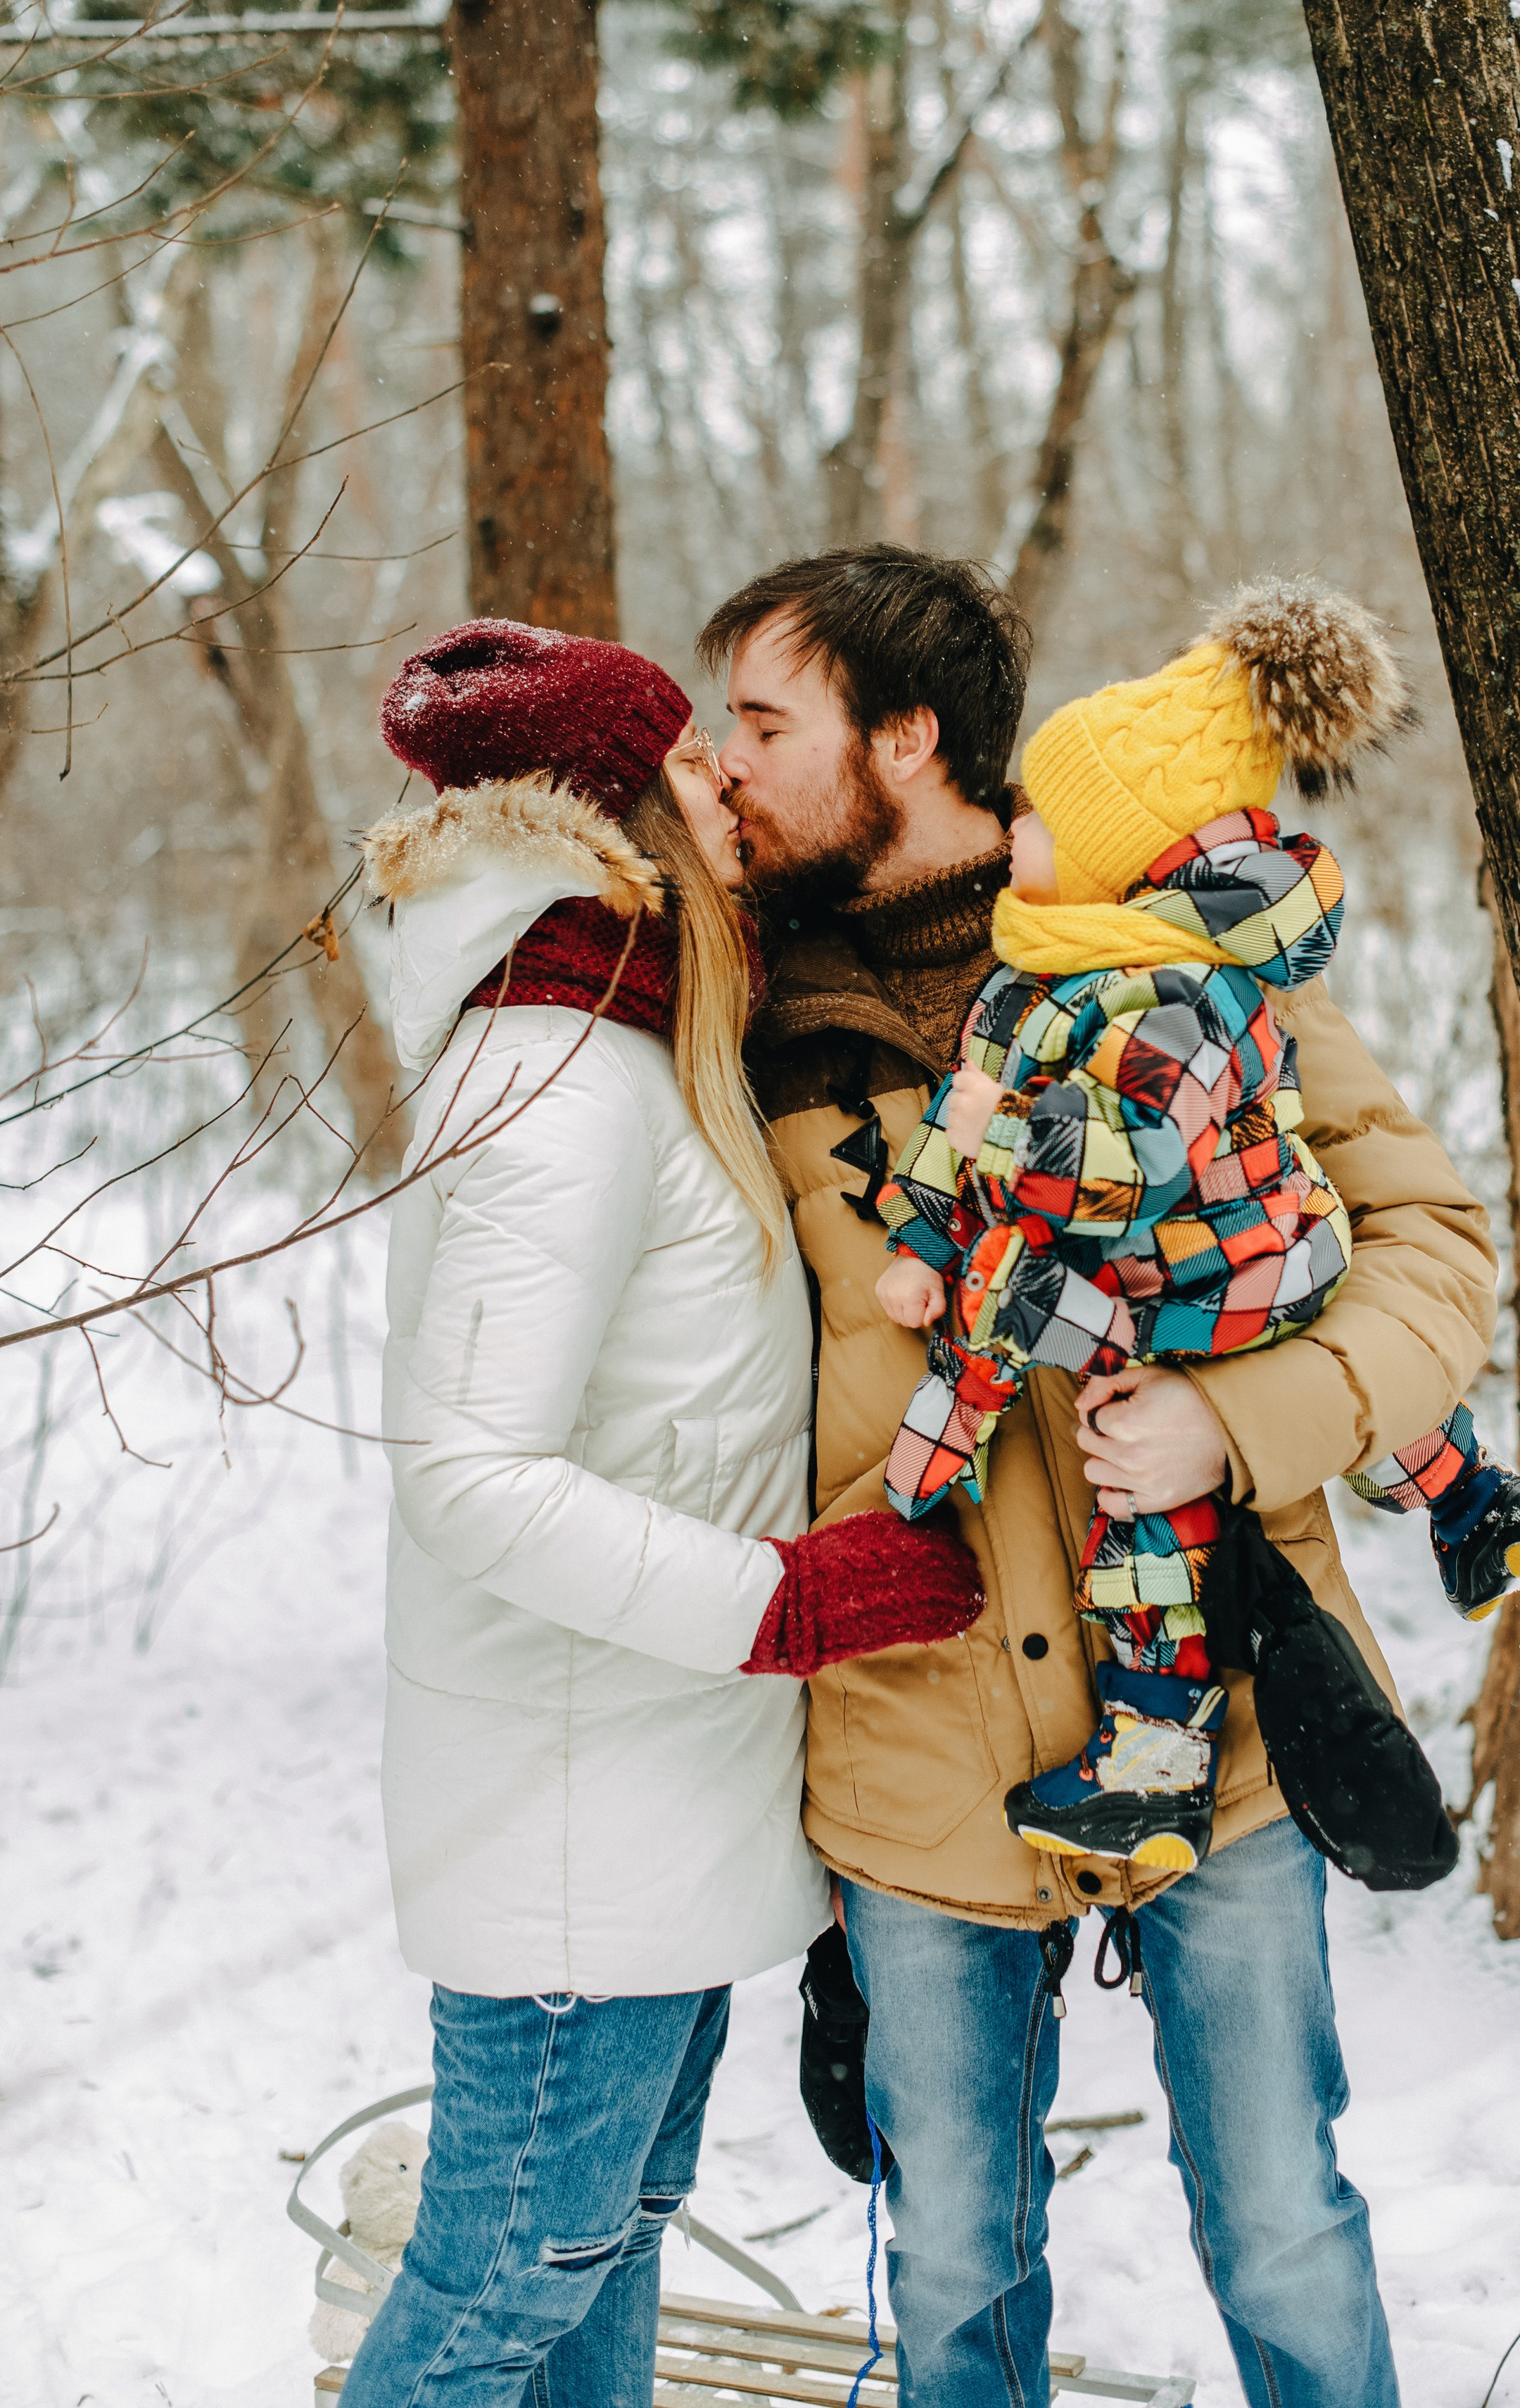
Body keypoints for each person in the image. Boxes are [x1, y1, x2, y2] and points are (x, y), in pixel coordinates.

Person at [698, 546, 1500, 2408]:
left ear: (905, 742)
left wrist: (1246, 1420)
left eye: (761, 722)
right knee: (959, 2265)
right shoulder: (735, 1031)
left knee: (1283, 2219)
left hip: (1210, 1723)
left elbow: (1437, 1245)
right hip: (914, 1760)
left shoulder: (1175, 941)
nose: (724, 764)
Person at [342, 619, 983, 2408]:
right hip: (576, 1841)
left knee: (596, 2263)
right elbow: (470, 1477)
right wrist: (784, 1603)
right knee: (495, 2299)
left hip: (649, 1806)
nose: (727, 780)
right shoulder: (553, 1084)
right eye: (694, 759)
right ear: (615, 812)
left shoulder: (636, 1049)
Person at [873, 584, 1520, 1872]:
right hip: (1193, 1266)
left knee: (1140, 1493)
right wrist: (925, 1234)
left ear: (1113, 853)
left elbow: (1119, 1163)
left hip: (1232, 1271)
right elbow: (981, 1105)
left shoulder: (1187, 994)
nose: (1011, 828)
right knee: (1130, 1440)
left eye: (1038, 814)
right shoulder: (1049, 965)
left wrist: (990, 1137)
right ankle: (1472, 1503)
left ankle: (1157, 1762)